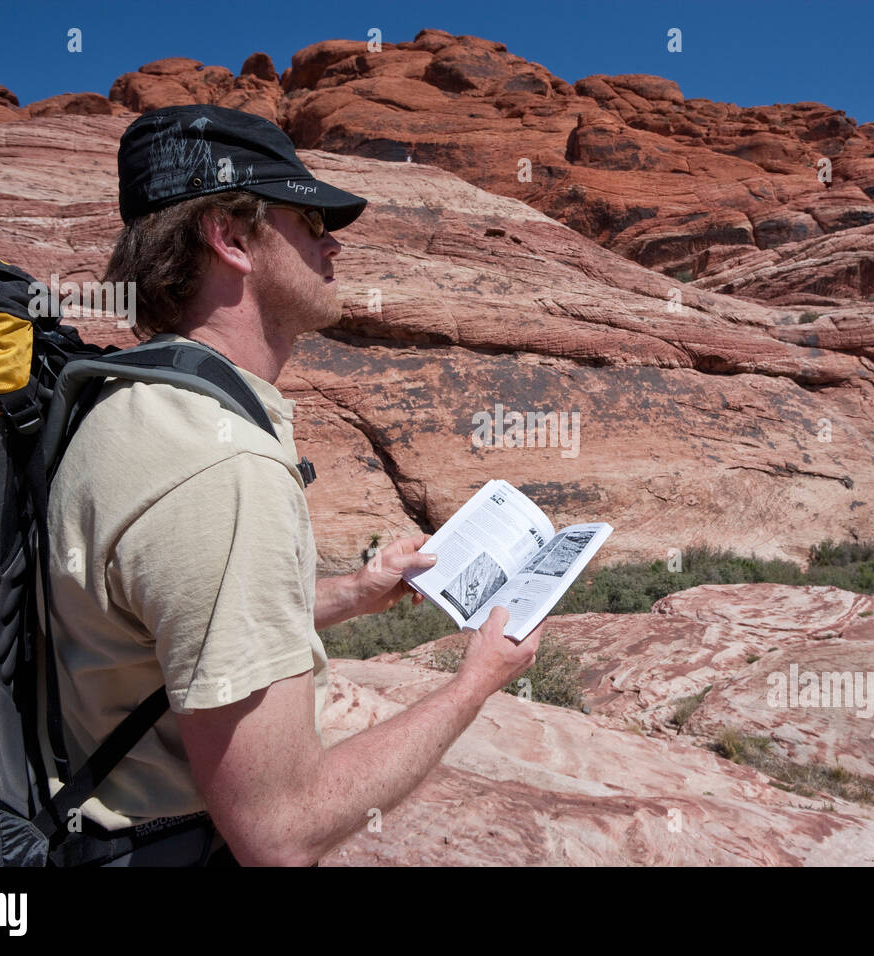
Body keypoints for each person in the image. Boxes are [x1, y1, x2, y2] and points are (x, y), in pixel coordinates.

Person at [44, 104, 543, 866]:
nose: (332, 240)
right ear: (232, 236)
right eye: (309, 220)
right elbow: (280, 829)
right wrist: (476, 682)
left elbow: (171, 624)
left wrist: (356, 591)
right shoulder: (220, 470)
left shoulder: (131, 402)